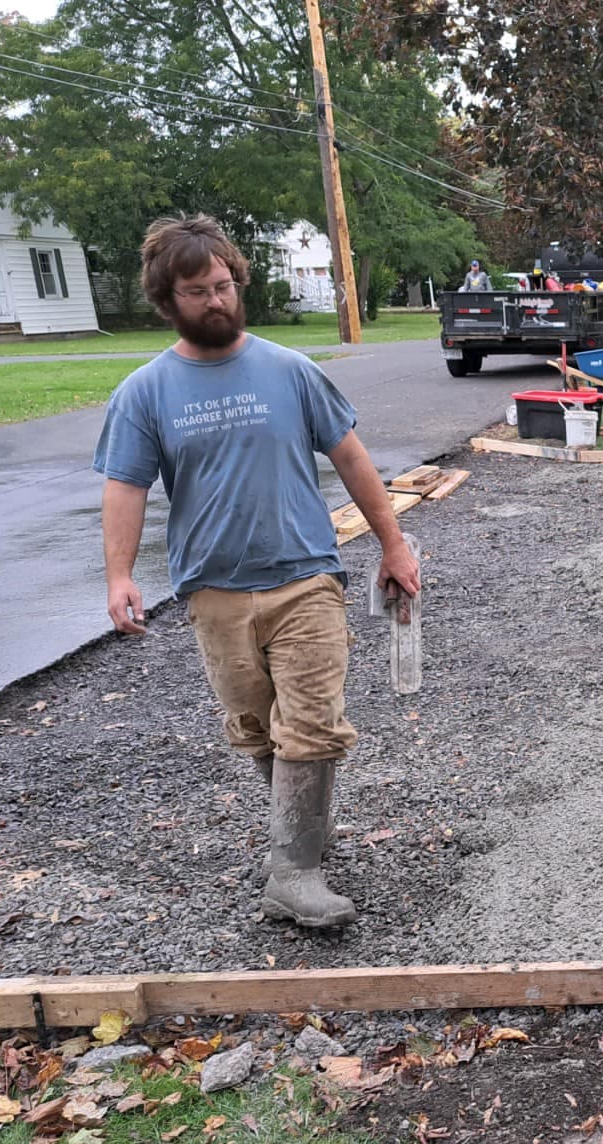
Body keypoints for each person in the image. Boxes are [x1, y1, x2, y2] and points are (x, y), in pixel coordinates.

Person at [93, 214, 420, 929]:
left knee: (309, 723)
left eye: (223, 285)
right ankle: (299, 838)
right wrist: (119, 575)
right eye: (197, 291)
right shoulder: (145, 393)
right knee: (257, 729)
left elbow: (353, 458)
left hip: (304, 577)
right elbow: (125, 488)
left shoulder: (289, 371)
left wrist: (394, 544)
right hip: (213, 590)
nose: (215, 300)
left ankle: (295, 872)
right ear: (166, 299)